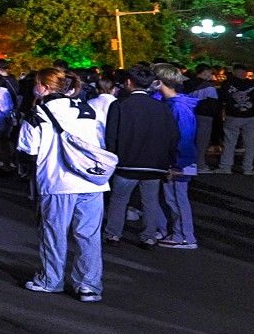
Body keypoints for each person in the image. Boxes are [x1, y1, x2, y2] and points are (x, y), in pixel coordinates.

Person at [18, 68, 109, 302]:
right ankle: (89, 285)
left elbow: (29, 150)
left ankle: (51, 279)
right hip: (92, 180)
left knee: (54, 233)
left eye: (37, 83)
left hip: (57, 181)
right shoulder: (86, 109)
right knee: (88, 235)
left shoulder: (38, 113)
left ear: (44, 87)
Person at [103, 64, 177, 246]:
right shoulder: (162, 107)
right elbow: (173, 136)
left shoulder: (119, 105)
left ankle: (113, 234)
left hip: (126, 162)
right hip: (154, 164)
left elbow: (111, 136)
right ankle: (149, 236)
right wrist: (167, 161)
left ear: (129, 82)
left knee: (119, 199)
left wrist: (111, 158)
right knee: (150, 201)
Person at [156, 65, 200, 250]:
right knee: (174, 199)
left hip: (179, 162)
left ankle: (184, 236)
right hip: (177, 160)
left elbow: (184, 138)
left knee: (176, 199)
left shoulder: (178, 108)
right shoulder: (174, 104)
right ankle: (180, 233)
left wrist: (176, 164)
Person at [219, 64, 254, 174]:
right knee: (250, 143)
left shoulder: (227, 84)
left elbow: (223, 98)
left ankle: (226, 166)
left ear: (234, 72)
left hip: (233, 115)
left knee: (230, 142)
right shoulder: (253, 84)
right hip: (250, 116)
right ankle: (248, 167)